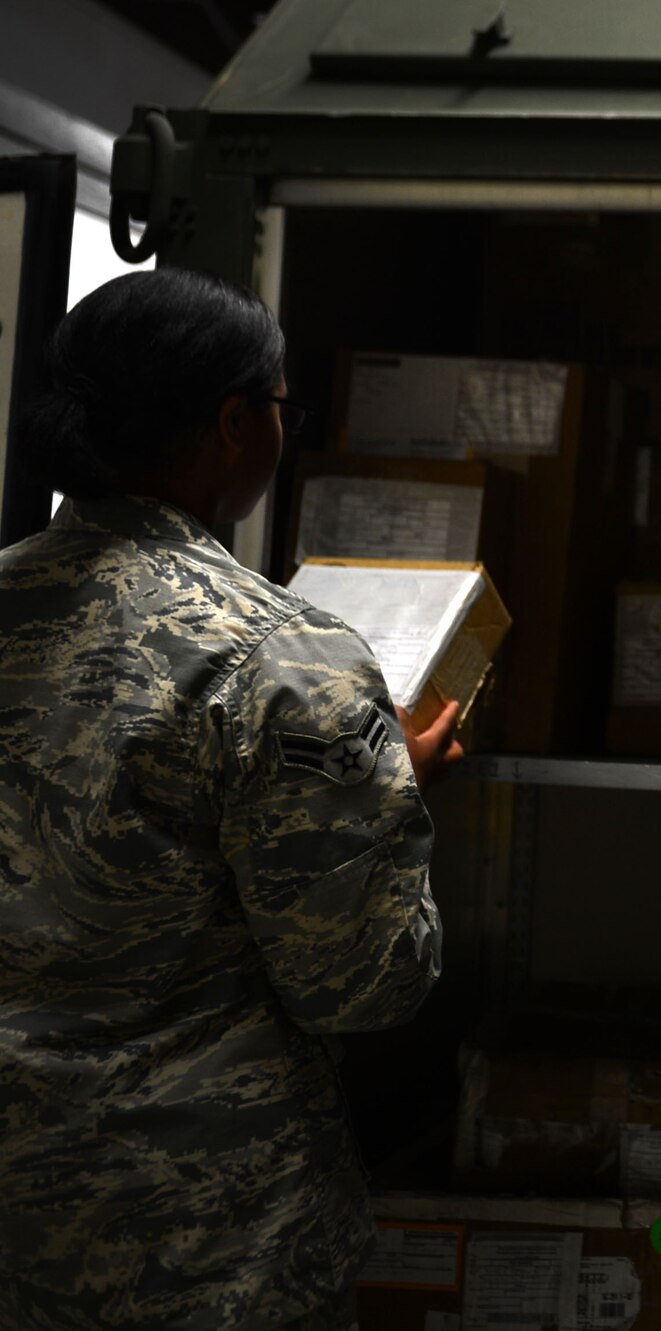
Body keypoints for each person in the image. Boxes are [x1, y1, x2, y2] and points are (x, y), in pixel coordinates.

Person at [0, 269, 463, 1330]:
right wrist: (387, 799)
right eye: (280, 407)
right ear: (232, 424)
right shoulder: (279, 656)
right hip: (200, 1243)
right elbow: (363, 981)